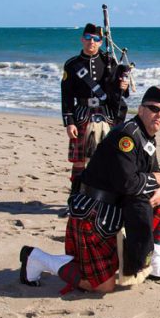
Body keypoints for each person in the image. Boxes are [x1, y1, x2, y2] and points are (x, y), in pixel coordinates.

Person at [20, 86, 160, 292]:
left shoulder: (147, 137)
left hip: (117, 208)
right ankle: (37, 259)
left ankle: (154, 263)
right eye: (154, 108)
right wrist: (157, 179)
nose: (159, 115)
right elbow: (127, 183)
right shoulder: (126, 136)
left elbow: (148, 174)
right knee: (103, 286)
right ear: (141, 109)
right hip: (94, 212)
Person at [62, 23, 131, 198]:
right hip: (81, 115)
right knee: (79, 162)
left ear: (101, 42)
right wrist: (69, 123)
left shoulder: (110, 62)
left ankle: (98, 197)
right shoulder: (72, 65)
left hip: (106, 115)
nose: (91, 42)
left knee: (106, 160)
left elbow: (121, 93)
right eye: (87, 38)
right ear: (82, 39)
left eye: (95, 39)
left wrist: (124, 85)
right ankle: (75, 197)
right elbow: (67, 96)